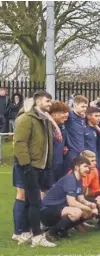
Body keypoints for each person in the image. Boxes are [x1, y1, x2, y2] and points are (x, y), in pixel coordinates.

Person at [13, 91, 56, 247]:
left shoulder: (44, 119)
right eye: (47, 101)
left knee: (30, 202)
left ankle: (26, 233)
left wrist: (47, 163)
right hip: (30, 166)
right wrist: (26, 166)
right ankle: (37, 236)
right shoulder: (26, 119)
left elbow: (46, 145)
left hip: (41, 166)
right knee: (35, 202)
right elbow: (20, 144)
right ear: (38, 102)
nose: (50, 103)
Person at [41, 156, 98, 242]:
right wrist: (89, 208)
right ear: (76, 167)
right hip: (48, 210)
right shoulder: (70, 179)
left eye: (88, 167)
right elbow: (72, 203)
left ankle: (62, 230)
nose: (88, 169)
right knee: (77, 212)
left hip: (59, 208)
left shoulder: (78, 180)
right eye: (85, 166)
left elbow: (81, 199)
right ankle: (51, 233)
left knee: (86, 213)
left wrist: (91, 205)